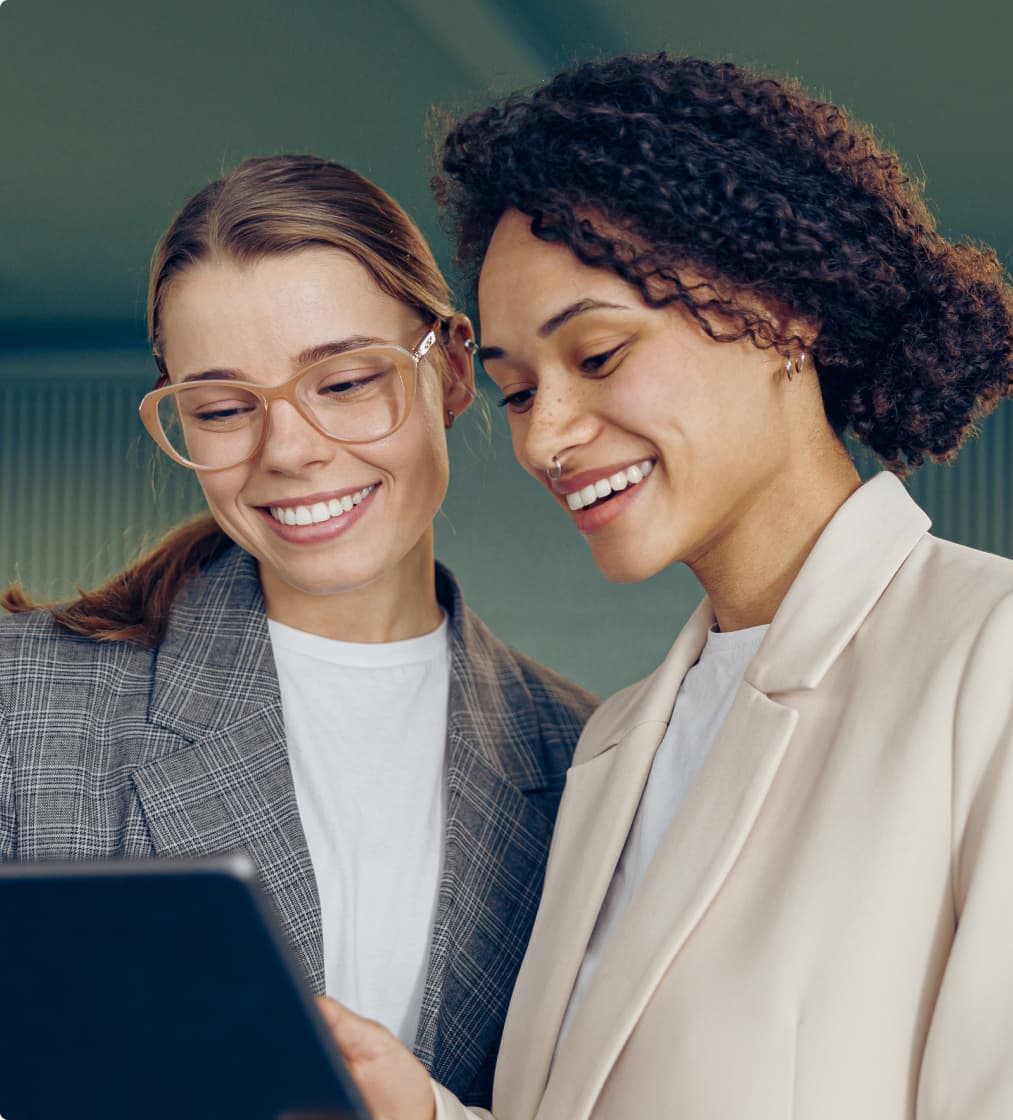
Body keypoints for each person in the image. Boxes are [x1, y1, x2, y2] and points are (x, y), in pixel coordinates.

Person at [319, 55, 1013, 1120]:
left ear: (783, 314)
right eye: (516, 390)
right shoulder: (613, 746)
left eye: (596, 355)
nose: (546, 436)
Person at [0, 154, 597, 1106]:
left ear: (449, 369)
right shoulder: (22, 706)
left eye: (347, 382)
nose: (291, 451)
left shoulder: (587, 759)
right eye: (225, 409)